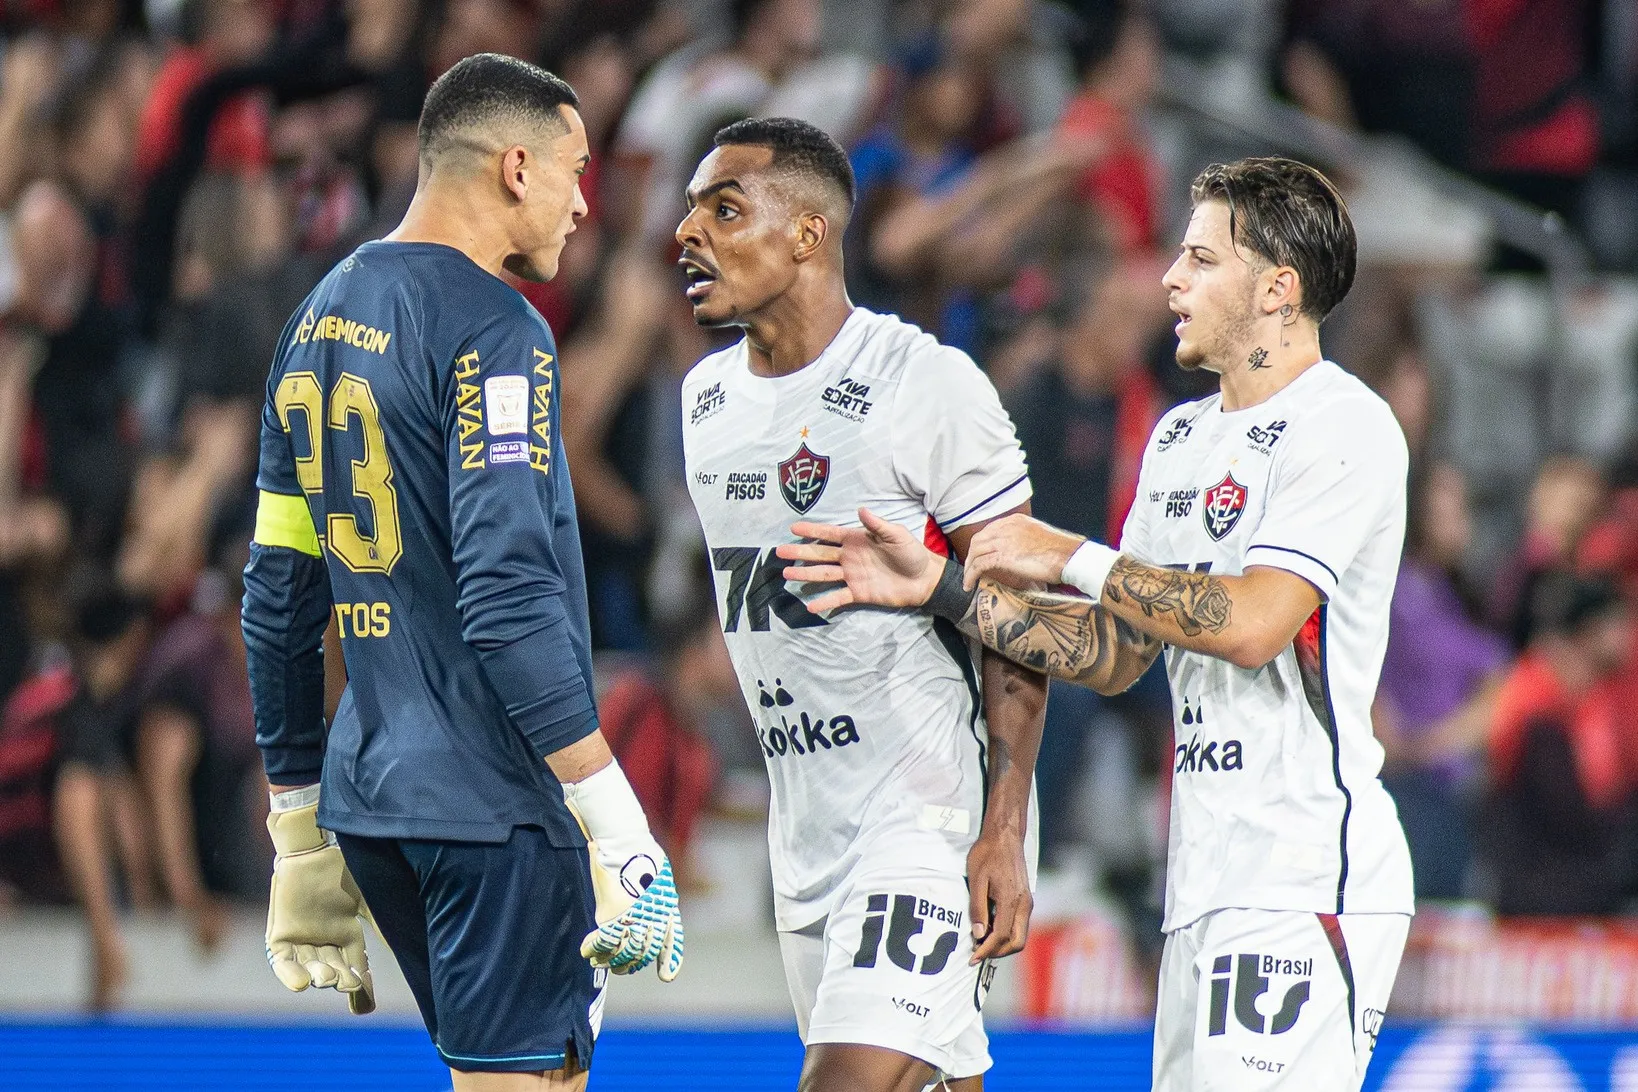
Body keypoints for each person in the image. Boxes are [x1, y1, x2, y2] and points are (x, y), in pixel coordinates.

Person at [781, 156, 1415, 1092]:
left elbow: (1252, 625)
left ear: (1278, 290)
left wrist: (1064, 551)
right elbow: (1113, 653)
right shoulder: (1181, 439)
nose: (1171, 279)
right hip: (1201, 884)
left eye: (1200, 260)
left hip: (1305, 876)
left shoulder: (1346, 427)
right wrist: (943, 590)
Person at [240, 54, 683, 1090]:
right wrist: (617, 821)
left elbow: (277, 600)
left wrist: (299, 824)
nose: (586, 202)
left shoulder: (312, 321)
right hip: (493, 803)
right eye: (577, 169)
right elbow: (507, 596)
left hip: (376, 799)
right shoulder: (496, 331)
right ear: (516, 168)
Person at [676, 117, 1049, 1091]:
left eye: (722, 208)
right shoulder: (703, 401)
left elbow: (1022, 622)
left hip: (924, 821)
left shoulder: (923, 383)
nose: (688, 232)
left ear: (807, 233)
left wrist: (1002, 827)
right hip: (806, 836)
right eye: (688, 209)